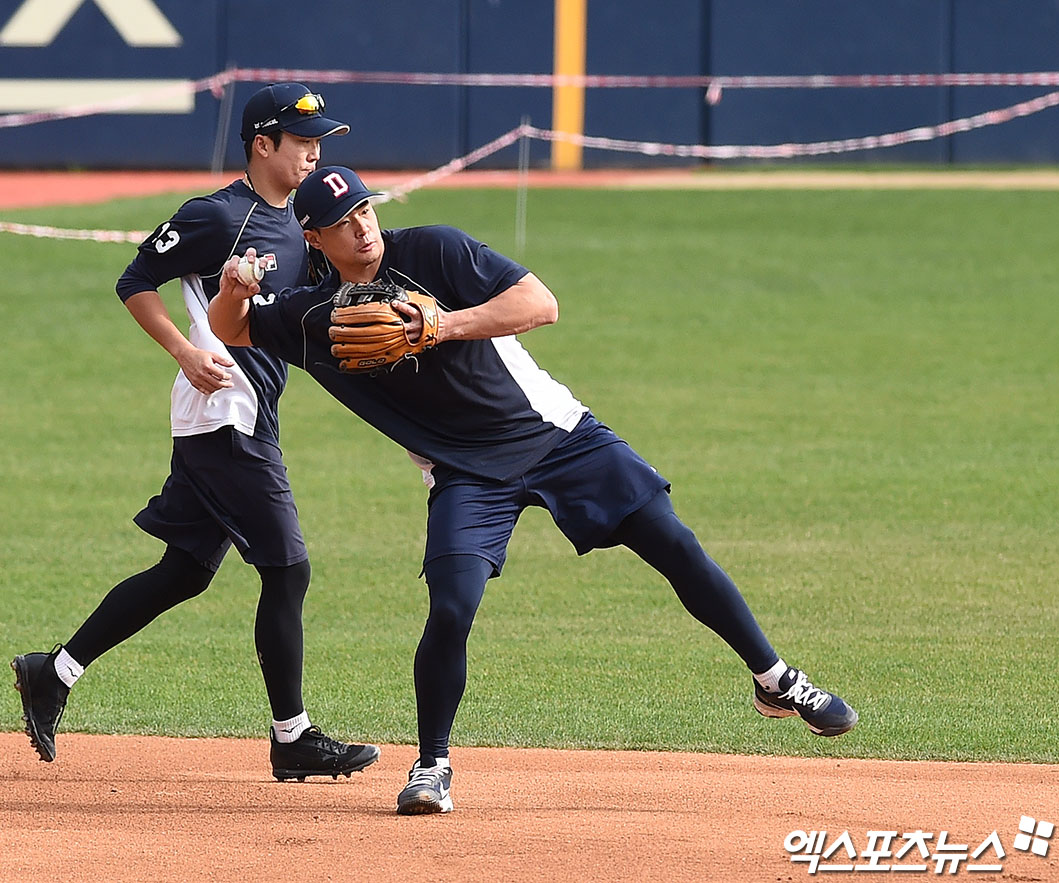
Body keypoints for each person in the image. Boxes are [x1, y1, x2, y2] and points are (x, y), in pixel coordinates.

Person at [208, 166, 859, 815]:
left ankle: (775, 680)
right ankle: (432, 765)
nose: (362, 228)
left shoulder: (434, 250)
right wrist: (235, 287)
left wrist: (442, 325)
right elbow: (229, 328)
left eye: (366, 211)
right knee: (452, 604)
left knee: (672, 539)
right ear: (313, 238)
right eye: (342, 224)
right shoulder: (310, 315)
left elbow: (541, 305)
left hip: (554, 433)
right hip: (465, 471)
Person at [11, 87, 379, 782]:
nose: (315, 150)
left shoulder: (299, 222)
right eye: (302, 140)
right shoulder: (218, 217)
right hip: (223, 415)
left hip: (247, 415)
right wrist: (184, 349)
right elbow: (136, 277)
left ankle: (51, 671)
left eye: (320, 139)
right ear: (262, 144)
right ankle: (292, 736)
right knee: (288, 568)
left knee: (184, 570)